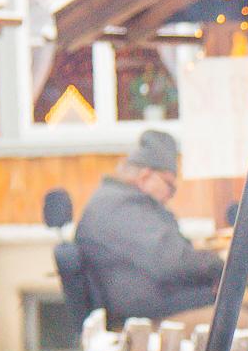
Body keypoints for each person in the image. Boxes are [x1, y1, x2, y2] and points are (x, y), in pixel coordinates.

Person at [76, 129, 224, 322]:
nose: (171, 195)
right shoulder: (123, 208)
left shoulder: (115, 202)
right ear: (145, 177)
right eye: (170, 186)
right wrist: (220, 264)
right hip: (144, 320)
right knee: (242, 322)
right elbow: (172, 262)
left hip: (148, 307)